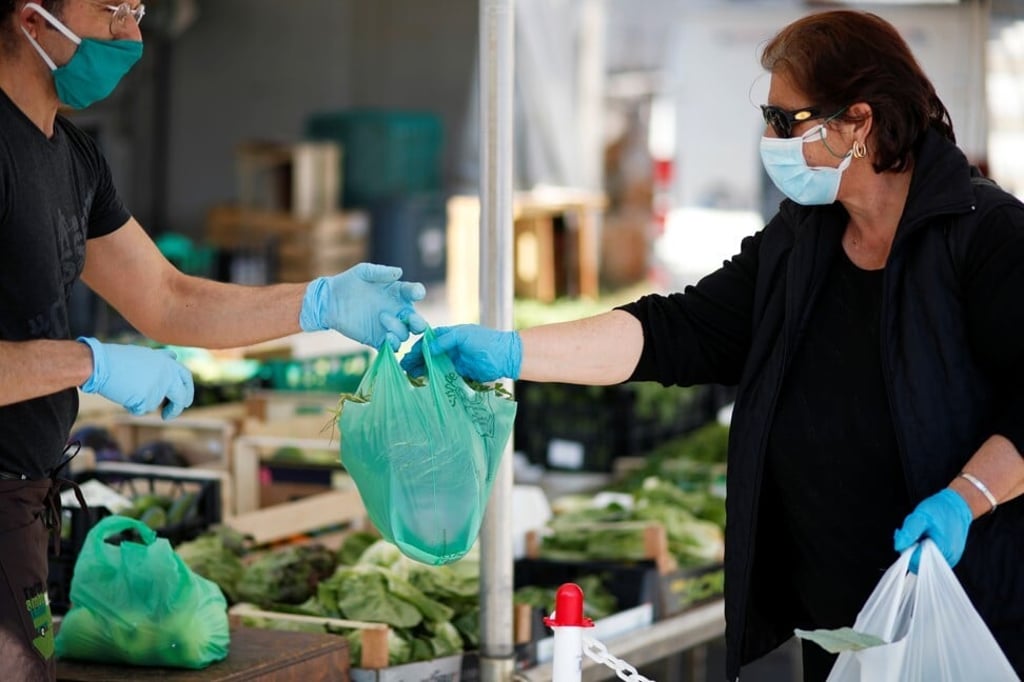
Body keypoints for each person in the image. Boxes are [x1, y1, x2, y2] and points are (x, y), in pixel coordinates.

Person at [403, 10, 1024, 682]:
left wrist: (965, 498)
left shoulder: (984, 236)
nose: (768, 137)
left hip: (962, 609)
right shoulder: (801, 241)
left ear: (858, 122)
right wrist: (514, 352)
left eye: (785, 120)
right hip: (838, 625)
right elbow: (677, 330)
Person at [0, 1, 426, 678]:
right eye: (111, 9)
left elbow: (170, 300)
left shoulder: (74, 157)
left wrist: (318, 302)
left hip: (25, 504)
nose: (131, 34)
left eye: (137, 10)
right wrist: (90, 361)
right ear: (30, 18)